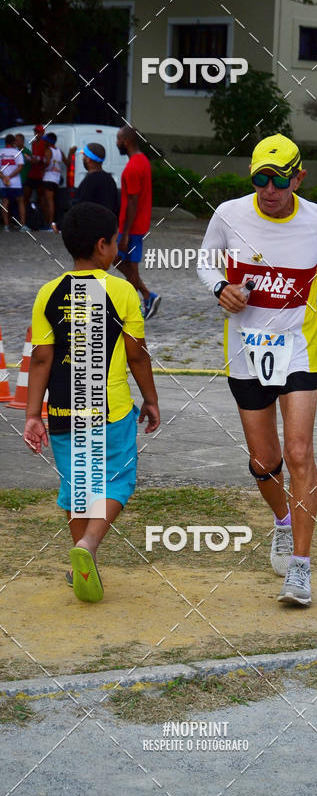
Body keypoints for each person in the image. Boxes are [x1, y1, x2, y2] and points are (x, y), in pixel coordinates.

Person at [198, 133, 317, 607]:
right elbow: (205, 260)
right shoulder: (230, 215)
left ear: (299, 177)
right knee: (263, 460)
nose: (269, 189)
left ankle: (300, 568)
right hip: (245, 349)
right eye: (260, 179)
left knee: (298, 453)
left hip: (297, 346)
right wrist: (219, 288)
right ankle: (281, 521)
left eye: (278, 180)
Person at [23, 201, 160, 602]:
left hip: (63, 411)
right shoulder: (121, 291)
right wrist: (150, 399)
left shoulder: (48, 293)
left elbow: (41, 358)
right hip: (111, 409)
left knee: (80, 486)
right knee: (117, 479)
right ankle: (88, 547)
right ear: (103, 245)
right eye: (116, 241)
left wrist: (34, 414)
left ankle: (83, 566)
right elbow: (137, 354)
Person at [116, 125, 160, 319]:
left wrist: (125, 233)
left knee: (128, 266)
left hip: (132, 227)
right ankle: (146, 296)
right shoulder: (142, 160)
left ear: (126, 142)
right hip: (137, 225)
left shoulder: (133, 166)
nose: (116, 143)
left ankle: (142, 301)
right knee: (117, 259)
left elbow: (132, 202)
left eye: (118, 140)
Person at [73, 143, 119, 216]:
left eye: (84, 155)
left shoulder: (89, 180)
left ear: (88, 159)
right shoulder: (110, 179)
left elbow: (79, 207)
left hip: (91, 225)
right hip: (107, 224)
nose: (82, 158)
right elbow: (116, 206)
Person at [0, 133, 28, 232]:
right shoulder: (17, 152)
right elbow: (20, 166)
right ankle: (23, 225)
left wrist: (4, 177)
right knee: (21, 202)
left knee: (5, 203)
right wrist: (10, 176)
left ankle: (6, 226)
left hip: (3, 182)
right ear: (13, 142)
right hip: (16, 183)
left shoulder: (0, 152)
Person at [41, 132, 68, 230]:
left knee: (49, 202)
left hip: (48, 178)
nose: (43, 142)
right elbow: (68, 162)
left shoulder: (48, 150)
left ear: (49, 141)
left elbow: (47, 162)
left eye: (45, 140)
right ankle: (48, 222)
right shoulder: (60, 151)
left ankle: (50, 225)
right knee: (46, 201)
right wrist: (71, 153)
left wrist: (43, 168)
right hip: (56, 179)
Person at [23, 124, 47, 212]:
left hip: (40, 174)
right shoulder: (34, 143)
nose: (36, 133)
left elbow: (45, 158)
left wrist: (36, 160)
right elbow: (35, 157)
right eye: (35, 131)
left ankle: (42, 219)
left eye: (38, 132)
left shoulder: (45, 144)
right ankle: (27, 219)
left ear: (42, 133)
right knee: (26, 195)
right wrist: (31, 158)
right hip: (32, 173)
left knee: (42, 198)